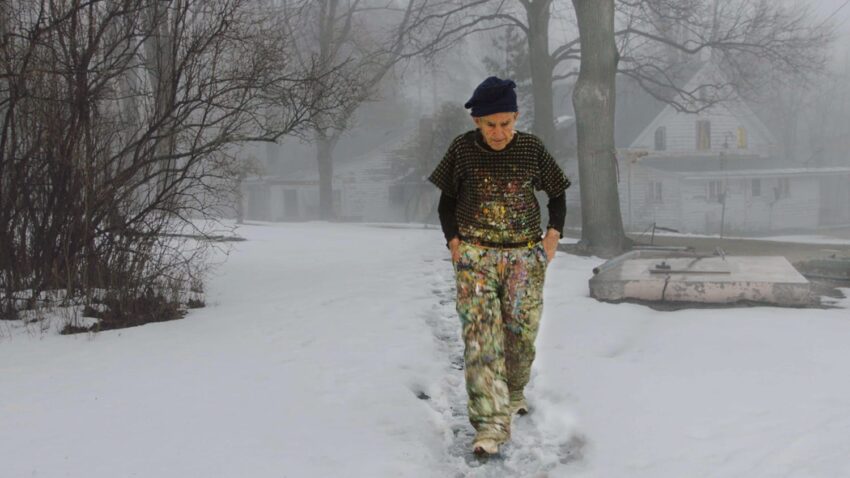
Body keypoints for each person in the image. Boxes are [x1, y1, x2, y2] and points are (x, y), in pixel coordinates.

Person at [428, 76, 570, 456]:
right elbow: (446, 203)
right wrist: (454, 242)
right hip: (476, 255)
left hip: (524, 256)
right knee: (481, 340)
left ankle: (515, 388)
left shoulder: (531, 149)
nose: (499, 132)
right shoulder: (462, 150)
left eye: (506, 123)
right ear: (477, 122)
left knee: (519, 336)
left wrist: (552, 235)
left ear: (516, 117)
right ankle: (489, 425)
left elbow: (557, 193)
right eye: (490, 124)